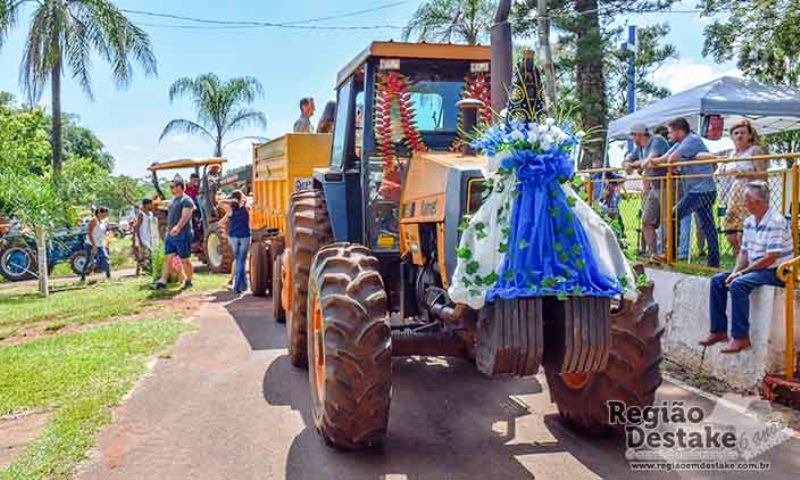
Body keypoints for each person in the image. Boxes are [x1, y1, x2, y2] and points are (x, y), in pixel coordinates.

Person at [701, 182, 792, 353]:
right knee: (718, 281)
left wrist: (741, 274)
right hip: (757, 267)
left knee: (739, 284)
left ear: (759, 201)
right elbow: (743, 252)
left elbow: (770, 257)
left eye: (747, 200)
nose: (745, 203)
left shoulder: (776, 221)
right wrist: (735, 271)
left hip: (777, 270)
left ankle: (741, 337)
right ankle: (718, 331)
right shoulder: (749, 221)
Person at [651, 117, 719, 268]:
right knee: (708, 226)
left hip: (701, 190)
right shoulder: (680, 143)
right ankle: (713, 262)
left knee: (674, 215)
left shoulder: (691, 140)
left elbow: (671, 159)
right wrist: (653, 161)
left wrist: (671, 163)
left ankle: (671, 254)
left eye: (670, 132)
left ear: (679, 131)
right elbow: (663, 159)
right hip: (699, 189)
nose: (668, 136)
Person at [700, 120, 767, 256]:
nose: (739, 136)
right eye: (736, 133)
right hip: (735, 193)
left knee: (744, 233)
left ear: (749, 135)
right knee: (730, 232)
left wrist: (744, 174)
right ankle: (738, 260)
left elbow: (763, 175)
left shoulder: (755, 150)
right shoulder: (732, 154)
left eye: (743, 132)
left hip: (752, 194)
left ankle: (749, 260)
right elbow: (700, 156)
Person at [623, 124, 670, 256]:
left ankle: (667, 254)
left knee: (667, 220)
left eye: (633, 135)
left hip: (668, 185)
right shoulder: (639, 148)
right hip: (654, 187)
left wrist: (633, 164)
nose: (632, 138)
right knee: (646, 220)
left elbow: (649, 160)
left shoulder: (657, 140)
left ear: (639, 134)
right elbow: (630, 158)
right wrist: (628, 162)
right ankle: (653, 253)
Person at [152, 177, 195, 290]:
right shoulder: (174, 200)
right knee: (168, 257)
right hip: (171, 234)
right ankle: (162, 281)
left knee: (185, 259)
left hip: (182, 233)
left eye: (173, 186)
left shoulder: (187, 200)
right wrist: (157, 203)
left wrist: (178, 227)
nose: (171, 189)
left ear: (180, 187)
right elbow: (165, 204)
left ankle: (189, 280)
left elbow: (186, 216)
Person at [223, 190, 251, 294]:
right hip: (245, 236)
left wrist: (229, 201)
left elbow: (221, 203)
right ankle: (238, 287)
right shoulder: (247, 208)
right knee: (241, 260)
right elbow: (248, 200)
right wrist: (242, 198)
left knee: (239, 260)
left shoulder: (229, 209)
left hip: (233, 237)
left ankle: (242, 285)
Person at [80, 206, 111, 282]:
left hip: (100, 244)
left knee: (106, 257)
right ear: (100, 213)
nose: (105, 216)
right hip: (90, 244)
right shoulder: (93, 221)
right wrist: (93, 245)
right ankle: (83, 277)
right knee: (88, 261)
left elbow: (103, 232)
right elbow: (89, 233)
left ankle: (108, 276)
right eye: (104, 214)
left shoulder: (104, 221)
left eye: (106, 215)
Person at [134, 199, 156, 275]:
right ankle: (143, 271)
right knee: (146, 254)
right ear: (146, 205)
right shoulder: (141, 214)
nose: (151, 206)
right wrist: (139, 240)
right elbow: (136, 227)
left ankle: (141, 271)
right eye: (150, 204)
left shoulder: (150, 213)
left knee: (145, 255)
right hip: (143, 238)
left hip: (150, 237)